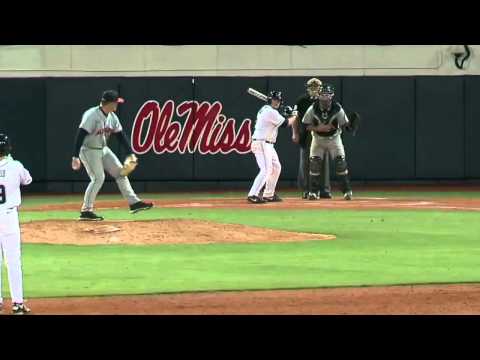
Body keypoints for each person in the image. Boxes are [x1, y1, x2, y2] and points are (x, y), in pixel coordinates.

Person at [71, 90, 153, 220]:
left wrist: (131, 153)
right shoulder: (92, 115)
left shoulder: (112, 117)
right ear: (109, 103)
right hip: (88, 150)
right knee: (98, 178)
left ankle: (134, 203)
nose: (117, 104)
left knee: (121, 172)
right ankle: (86, 211)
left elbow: (120, 135)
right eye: (116, 102)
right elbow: (80, 134)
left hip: (103, 149)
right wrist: (75, 156)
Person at [302, 84, 353, 200]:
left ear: (332, 96)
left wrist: (350, 127)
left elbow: (345, 124)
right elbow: (306, 125)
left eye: (327, 95)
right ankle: (313, 192)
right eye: (322, 95)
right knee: (314, 164)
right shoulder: (313, 108)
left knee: (341, 163)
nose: (325, 97)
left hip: (334, 139)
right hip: (317, 138)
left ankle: (347, 191)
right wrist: (319, 128)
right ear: (318, 95)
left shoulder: (337, 108)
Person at [0, 133, 32, 315]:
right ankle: (18, 304)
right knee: (12, 261)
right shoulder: (15, 166)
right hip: (8, 217)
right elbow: (27, 180)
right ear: (8, 149)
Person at [247, 91, 296, 204]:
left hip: (268, 144)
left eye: (278, 100)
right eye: (274, 99)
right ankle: (253, 194)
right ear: (270, 100)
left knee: (276, 167)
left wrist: (286, 114)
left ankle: (268, 194)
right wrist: (294, 115)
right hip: (262, 143)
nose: (276, 102)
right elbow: (286, 124)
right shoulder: (269, 111)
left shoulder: (268, 110)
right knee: (266, 170)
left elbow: (280, 119)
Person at [292, 78, 332, 199]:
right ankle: (306, 189)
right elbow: (296, 118)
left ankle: (324, 189)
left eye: (316, 87)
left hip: (322, 134)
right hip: (306, 133)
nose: (314, 90)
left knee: (323, 162)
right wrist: (295, 133)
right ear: (308, 88)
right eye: (312, 87)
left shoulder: (326, 100)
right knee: (306, 163)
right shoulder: (301, 100)